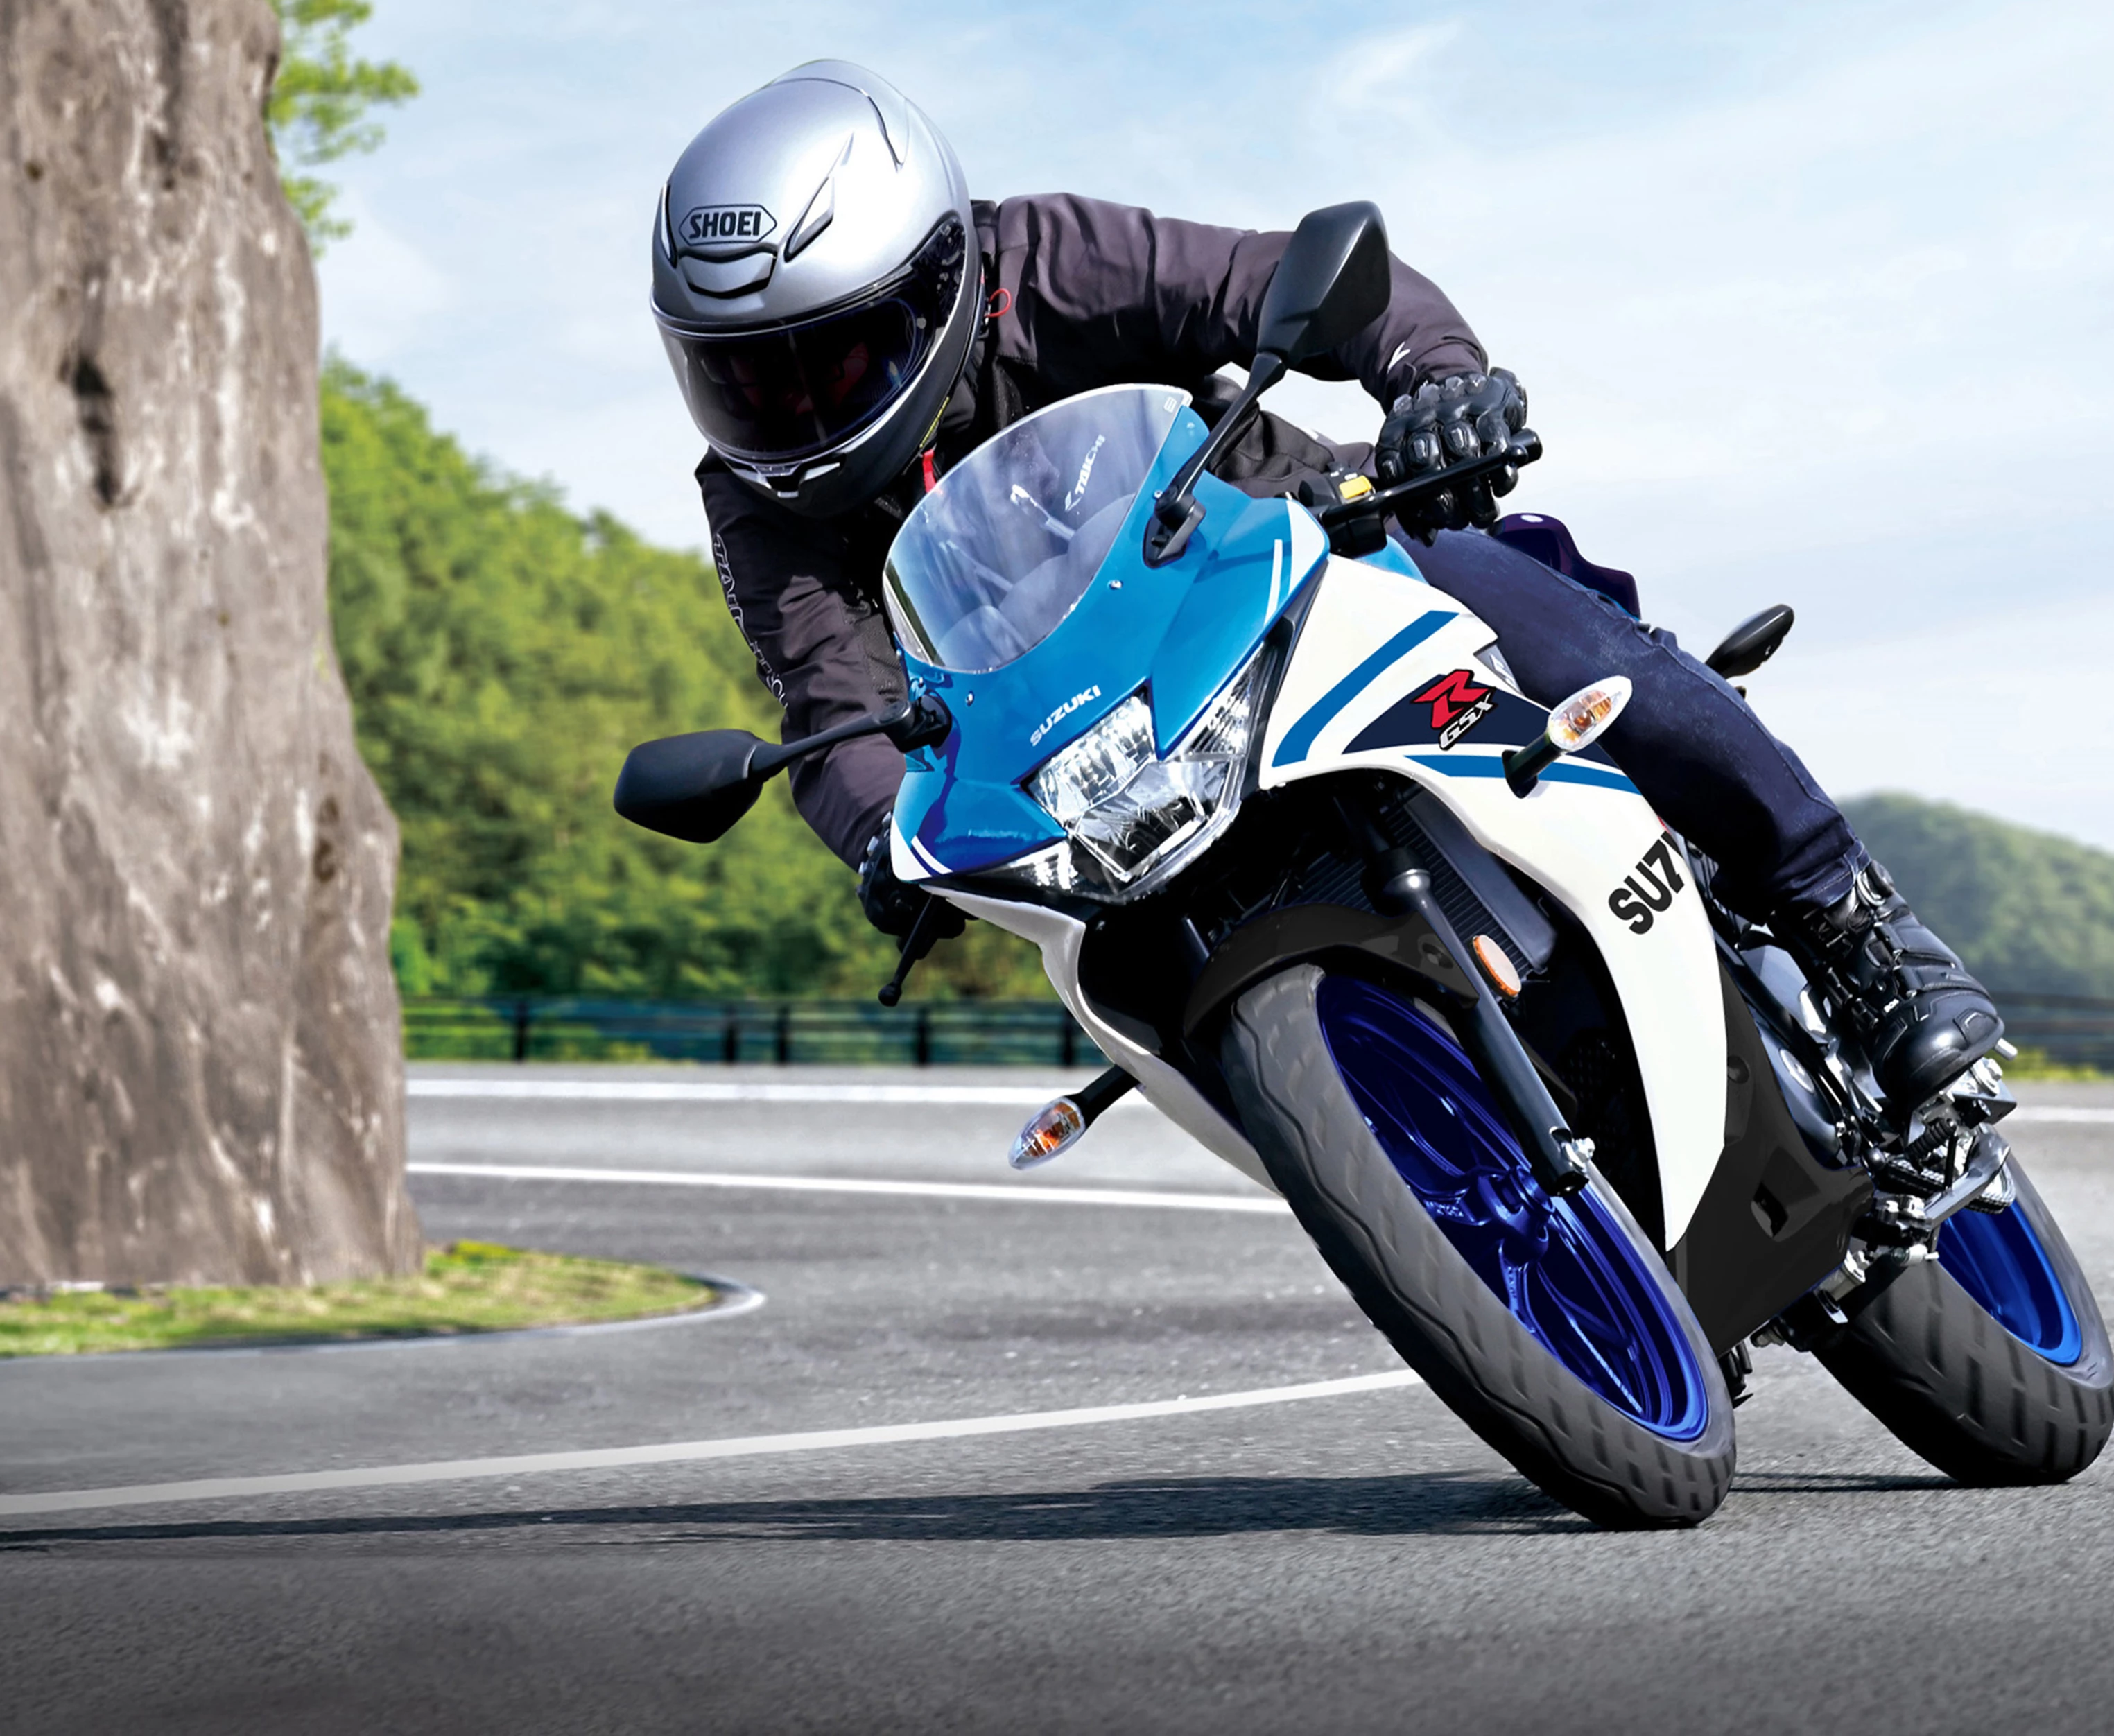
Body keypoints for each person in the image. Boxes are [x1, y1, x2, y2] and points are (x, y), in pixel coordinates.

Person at [652, 61, 2001, 1111]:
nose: (788, 402)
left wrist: (1434, 375)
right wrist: (891, 838)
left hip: (1300, 553)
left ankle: (1852, 926)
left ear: (938, 276)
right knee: (1125, 953)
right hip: (1097, 733)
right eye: (744, 373)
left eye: (827, 357)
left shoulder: (1047, 261)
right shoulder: (754, 499)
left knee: (1522, 619)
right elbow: (829, 693)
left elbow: (1274, 281)